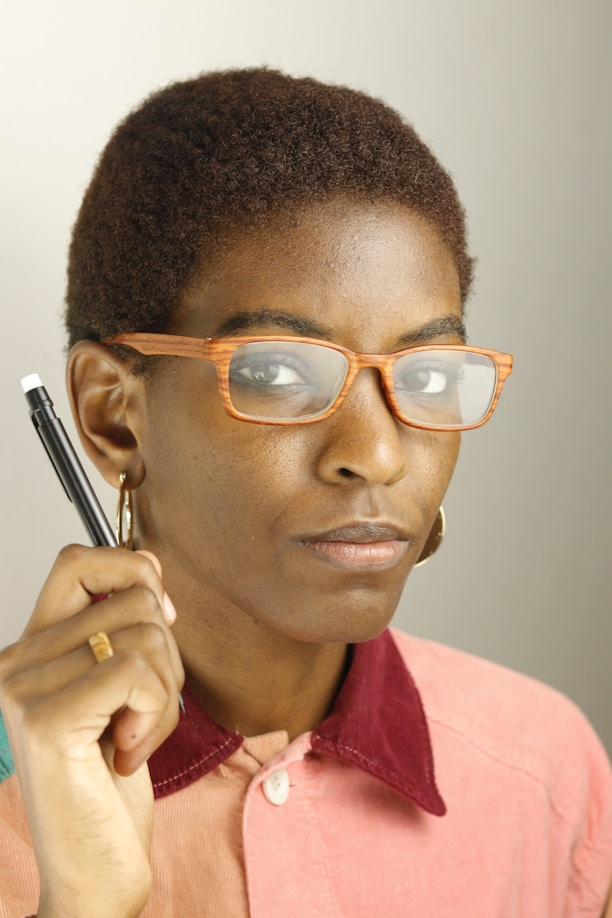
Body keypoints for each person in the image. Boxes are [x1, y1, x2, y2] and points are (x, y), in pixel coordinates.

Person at [0, 68, 610, 917]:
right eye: (279, 370)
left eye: (426, 373)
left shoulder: (548, 777)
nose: (377, 454)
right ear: (114, 417)